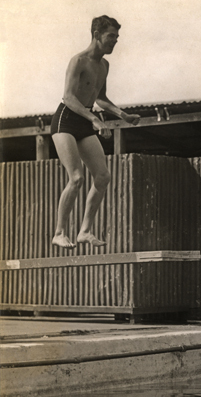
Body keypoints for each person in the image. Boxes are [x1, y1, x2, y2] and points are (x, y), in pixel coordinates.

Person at [50, 15, 140, 249]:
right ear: (96, 35)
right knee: (77, 178)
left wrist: (122, 115)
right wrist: (95, 120)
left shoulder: (104, 66)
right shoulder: (78, 61)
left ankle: (84, 231)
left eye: (117, 37)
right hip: (66, 120)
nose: (115, 41)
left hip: (84, 120)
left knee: (103, 176)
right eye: (111, 36)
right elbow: (69, 97)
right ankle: (59, 232)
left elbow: (100, 98)